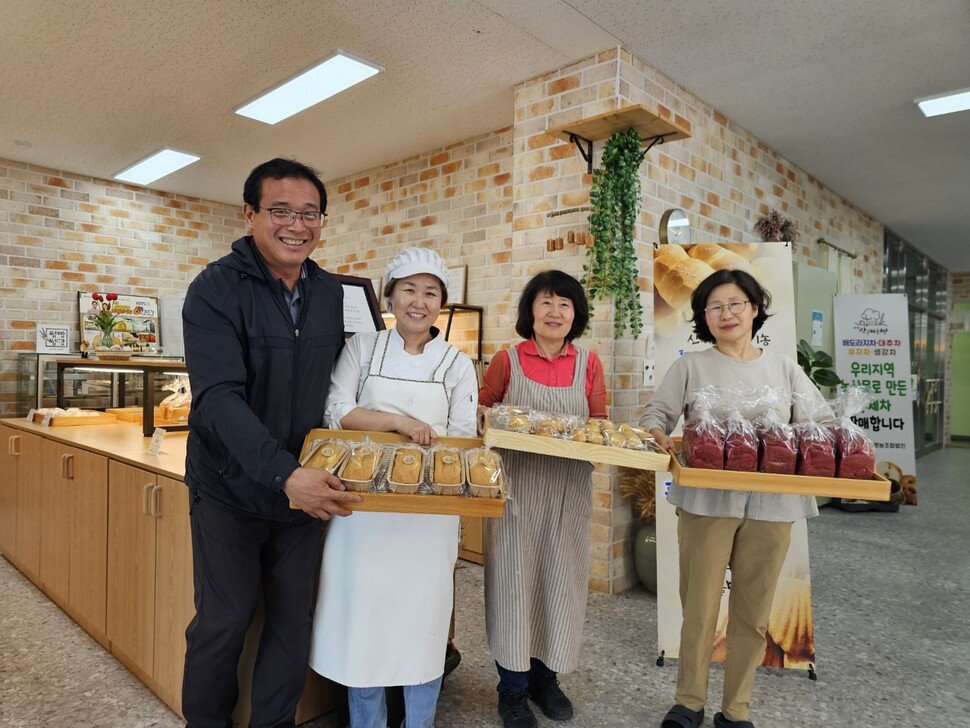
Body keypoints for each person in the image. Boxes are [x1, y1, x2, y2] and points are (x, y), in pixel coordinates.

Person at [180, 157, 361, 728]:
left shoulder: (332, 292)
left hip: (301, 497)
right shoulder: (214, 288)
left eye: (310, 213)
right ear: (251, 214)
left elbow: (343, 387)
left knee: (291, 622)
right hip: (231, 489)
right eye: (280, 210)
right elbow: (217, 399)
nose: (296, 225)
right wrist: (286, 474)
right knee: (224, 621)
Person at [639, 268, 829, 728]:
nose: (727, 314)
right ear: (704, 317)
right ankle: (689, 703)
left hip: (773, 506)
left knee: (753, 612)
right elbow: (655, 414)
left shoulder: (784, 366)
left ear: (755, 309)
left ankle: (736, 709)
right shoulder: (690, 366)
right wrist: (657, 434)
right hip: (707, 504)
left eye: (735, 304)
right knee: (700, 609)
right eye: (715, 306)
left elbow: (819, 421)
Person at [308, 247, 478, 728]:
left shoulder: (456, 363)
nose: (418, 302)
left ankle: (419, 722)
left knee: (422, 625)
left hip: (428, 517)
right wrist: (400, 424)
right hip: (362, 510)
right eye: (408, 290)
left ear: (441, 303)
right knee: (364, 625)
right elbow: (335, 410)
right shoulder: (363, 346)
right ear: (390, 296)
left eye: (430, 293)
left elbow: (464, 438)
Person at [477, 270, 606, 728]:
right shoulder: (507, 360)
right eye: (546, 302)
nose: (555, 313)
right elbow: (481, 412)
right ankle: (512, 688)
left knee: (560, 585)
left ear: (577, 315)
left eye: (565, 305)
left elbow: (599, 425)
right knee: (513, 586)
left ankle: (545, 679)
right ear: (530, 310)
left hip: (569, 494)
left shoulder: (588, 364)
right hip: (516, 492)